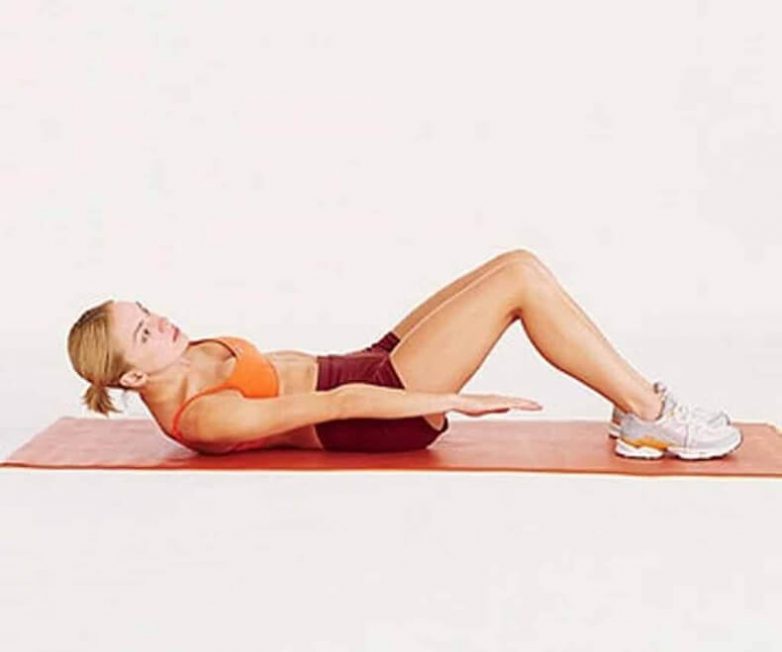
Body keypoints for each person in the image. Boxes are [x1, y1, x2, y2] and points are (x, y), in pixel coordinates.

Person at [66, 249, 741, 458]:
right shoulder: (204, 417)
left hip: (362, 365)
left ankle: (634, 408)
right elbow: (339, 403)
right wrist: (449, 401)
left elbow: (322, 374)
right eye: (145, 332)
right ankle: (651, 414)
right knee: (520, 283)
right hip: (376, 411)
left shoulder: (174, 360)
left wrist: (380, 358)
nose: (162, 322)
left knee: (514, 262)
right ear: (133, 375)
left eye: (148, 312)